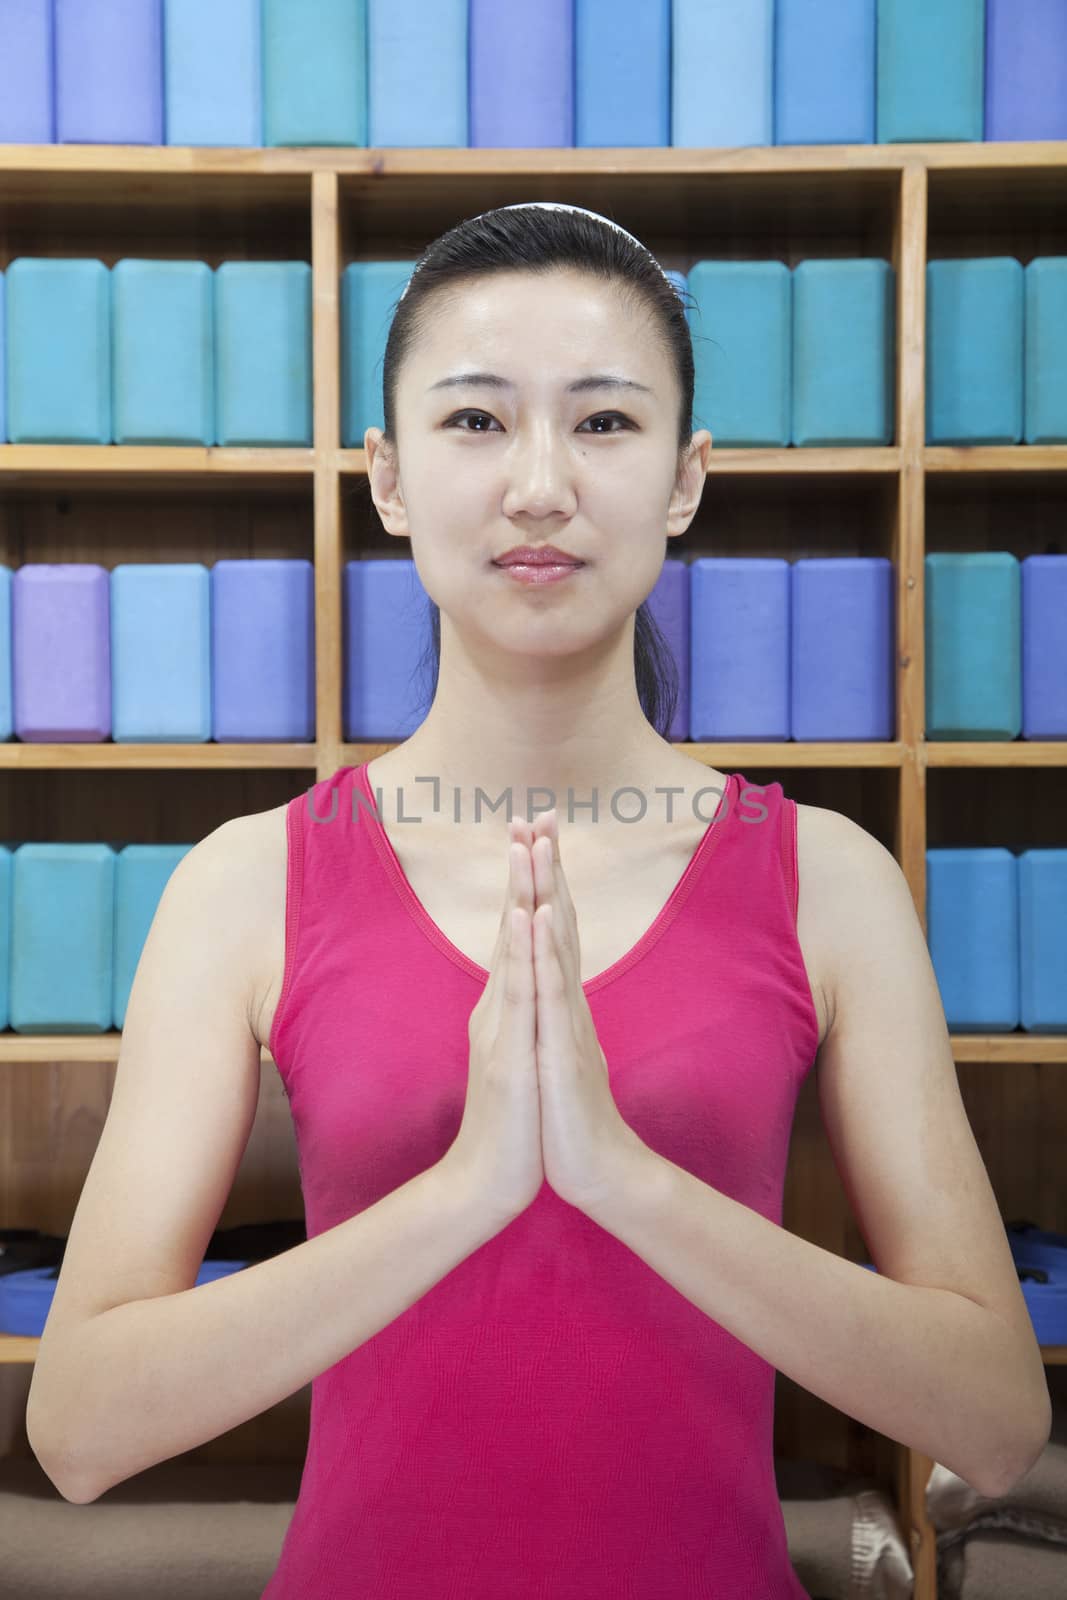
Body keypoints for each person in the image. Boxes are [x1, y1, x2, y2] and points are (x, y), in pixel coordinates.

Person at [27, 202, 1046, 1596]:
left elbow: (993, 1424)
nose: (542, 487)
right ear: (384, 476)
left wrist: (621, 1176)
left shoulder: (828, 882)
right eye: (476, 422)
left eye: (607, 424)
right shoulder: (247, 881)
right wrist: (467, 1190)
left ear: (688, 479)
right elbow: (80, 1427)